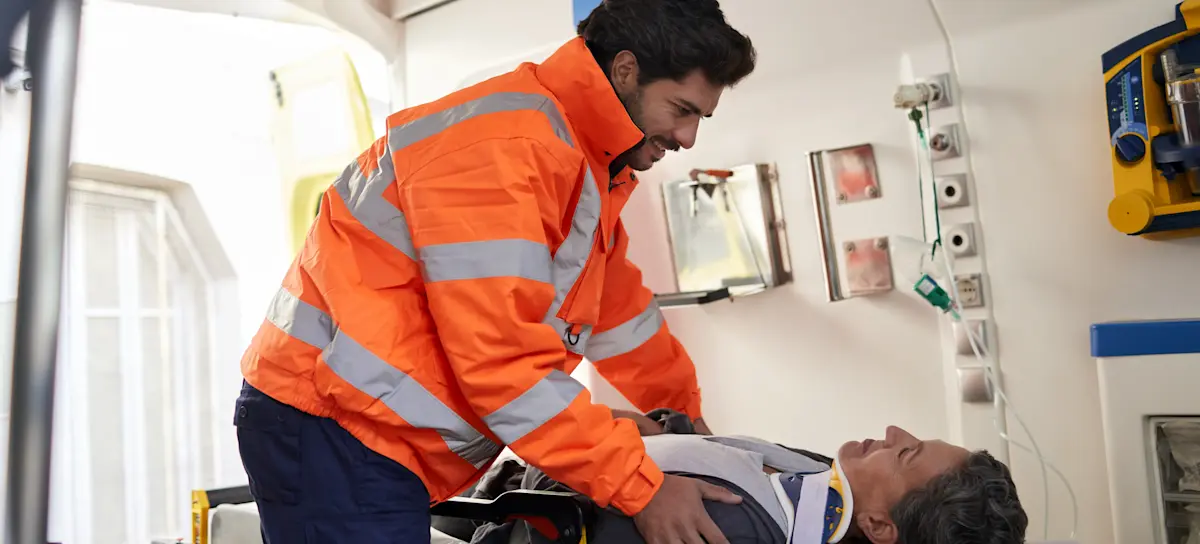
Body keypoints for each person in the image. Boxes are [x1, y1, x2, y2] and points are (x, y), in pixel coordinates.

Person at [232, 1, 757, 543]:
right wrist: (640, 486)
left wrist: (690, 432)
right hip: (331, 427)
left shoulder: (584, 168)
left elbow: (623, 319)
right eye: (682, 109)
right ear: (626, 70)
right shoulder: (507, 150)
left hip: (361, 432)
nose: (689, 137)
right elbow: (503, 363)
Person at [468, 420, 1028, 544]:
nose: (891, 429)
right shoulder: (814, 476)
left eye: (904, 453)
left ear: (880, 525)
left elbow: (546, 517)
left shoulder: (729, 528)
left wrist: (636, 478)